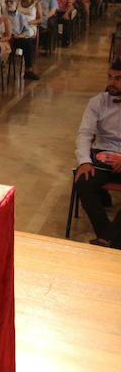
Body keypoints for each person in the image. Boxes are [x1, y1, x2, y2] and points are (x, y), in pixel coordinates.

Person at [74, 61, 121, 249]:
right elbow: (85, 133)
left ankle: (108, 239)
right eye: (110, 77)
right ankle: (107, 237)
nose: (112, 82)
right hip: (103, 154)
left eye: (118, 79)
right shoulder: (97, 101)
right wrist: (84, 161)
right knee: (83, 182)